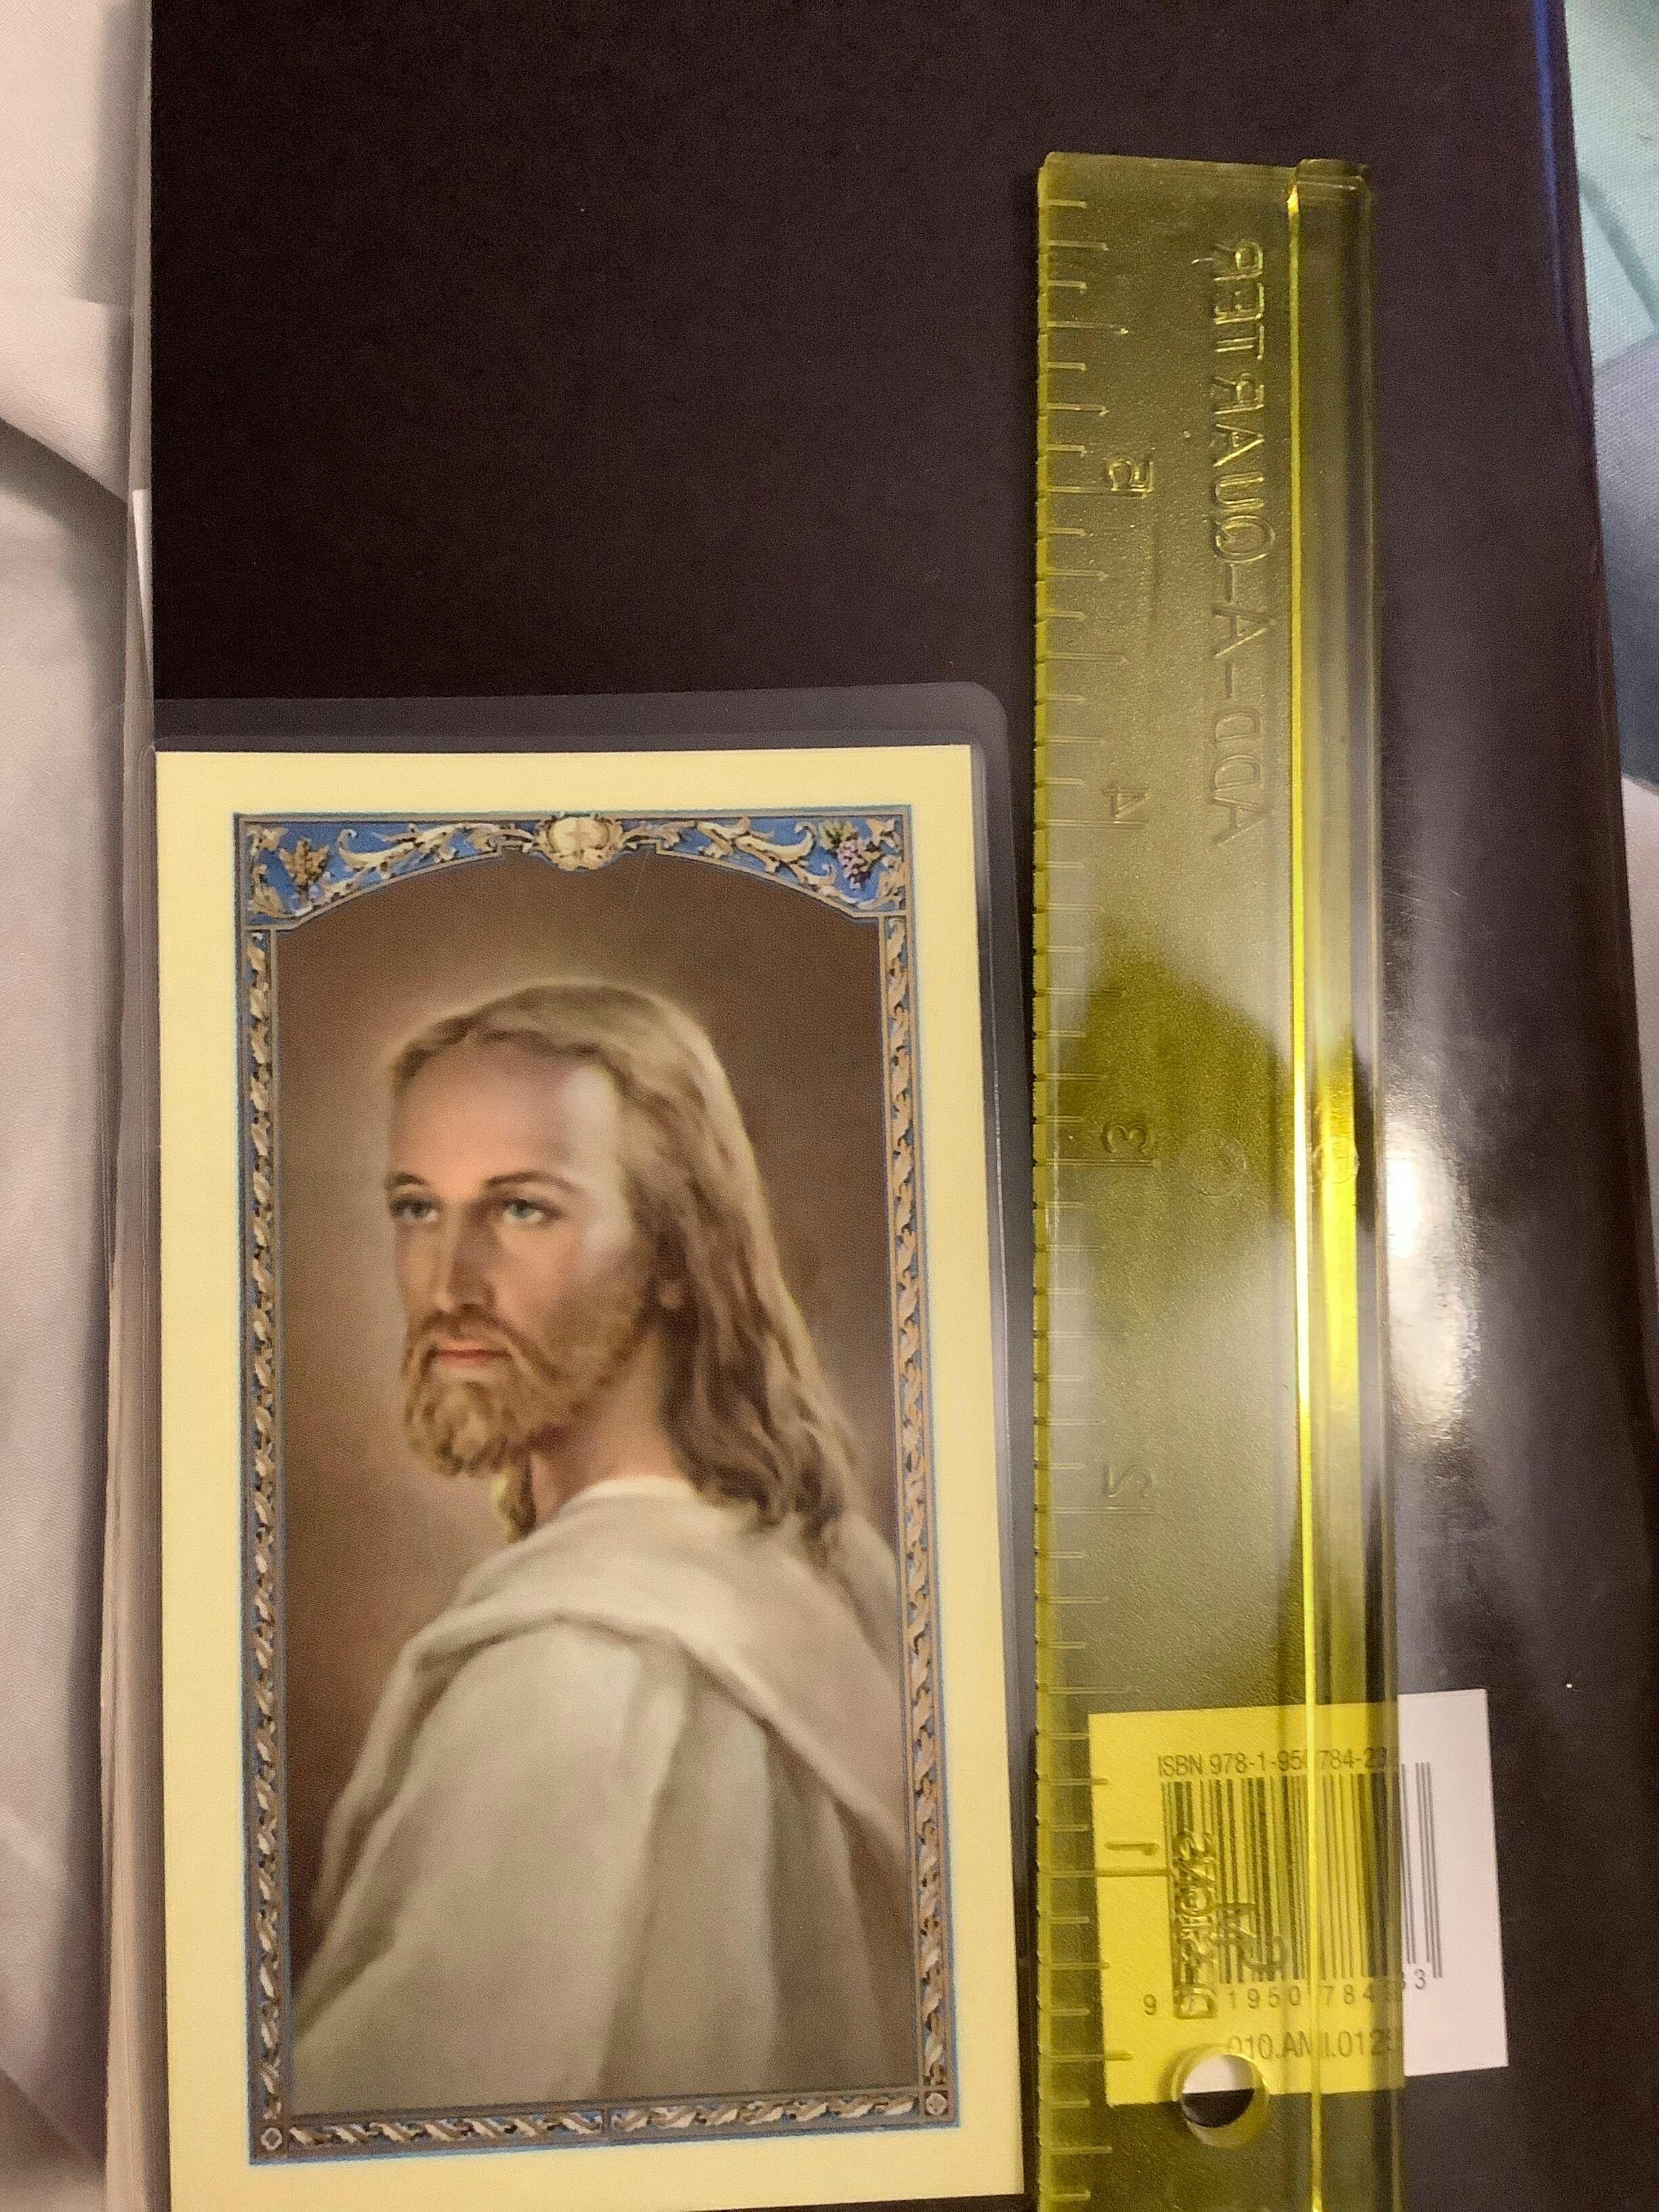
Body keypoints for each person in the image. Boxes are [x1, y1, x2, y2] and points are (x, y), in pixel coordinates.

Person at [290, 981, 914, 2115]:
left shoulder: (571, 1669)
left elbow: (397, 2127)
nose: (449, 1284)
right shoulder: (821, 1565)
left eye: (523, 1210)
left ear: (677, 1250)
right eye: (418, 1208)